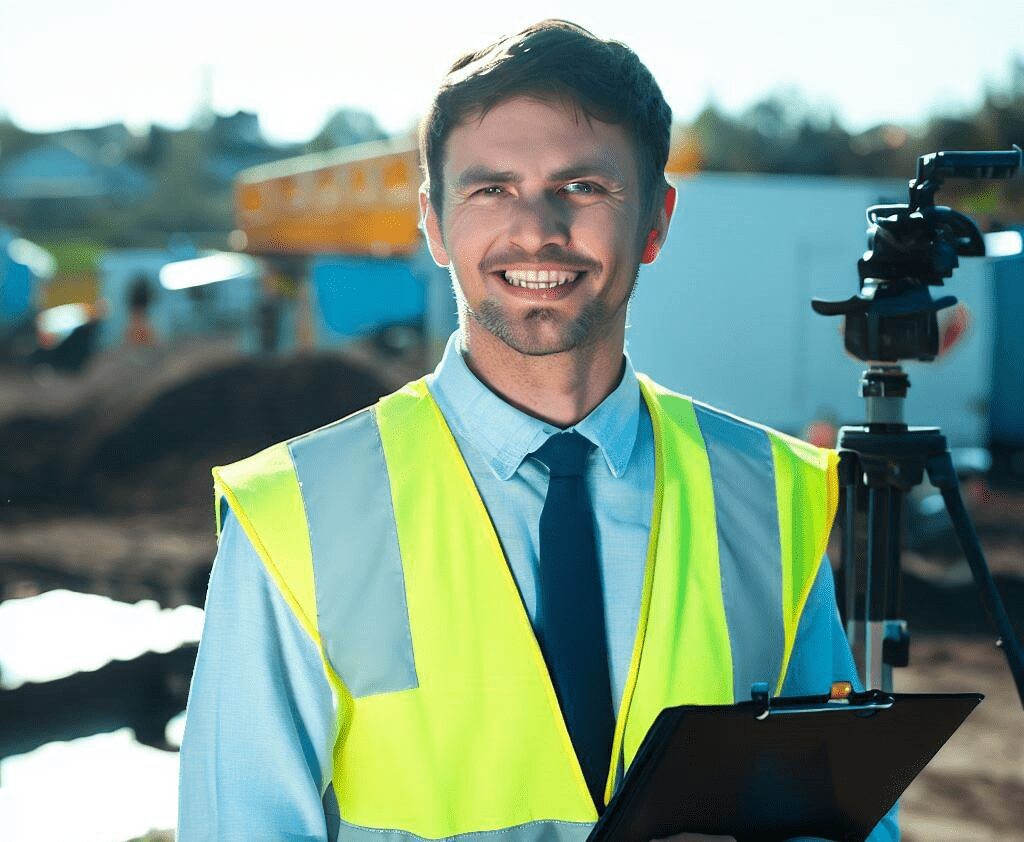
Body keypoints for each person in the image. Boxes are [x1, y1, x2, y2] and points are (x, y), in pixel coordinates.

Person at [178, 20, 899, 842]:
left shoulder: (770, 494)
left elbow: (838, 823)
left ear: (657, 221)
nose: (537, 230)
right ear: (435, 225)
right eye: (491, 189)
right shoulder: (296, 513)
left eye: (584, 187)